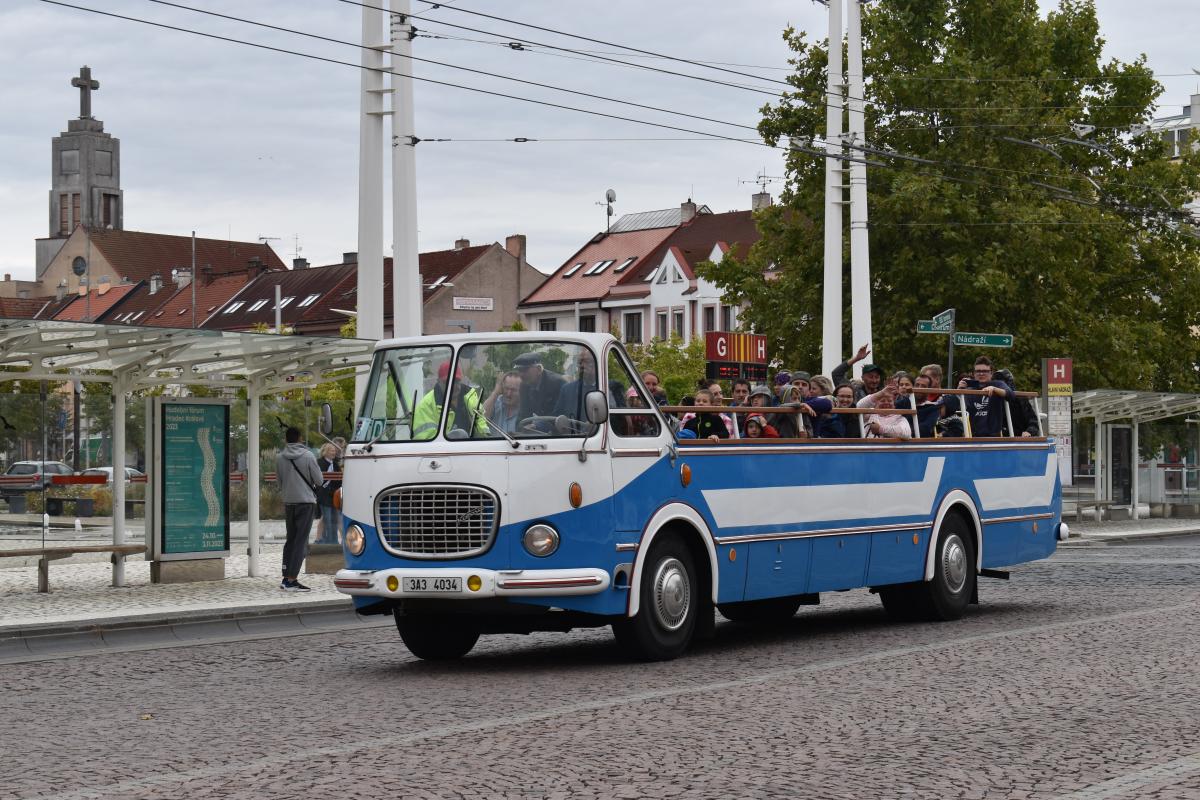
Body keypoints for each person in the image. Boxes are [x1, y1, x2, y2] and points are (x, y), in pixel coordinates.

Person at [275, 427, 324, 592]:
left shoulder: (280, 457)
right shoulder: (308, 456)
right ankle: (292, 580)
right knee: (301, 541)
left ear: (286, 439)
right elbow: (319, 479)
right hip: (305, 502)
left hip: (289, 502)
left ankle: (285, 576)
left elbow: (279, 482)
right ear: (300, 438)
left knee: (291, 540)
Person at [413, 362, 488, 439]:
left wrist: (487, 438)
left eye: (456, 381)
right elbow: (426, 442)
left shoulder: (470, 396)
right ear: (438, 382)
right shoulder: (425, 406)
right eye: (447, 382)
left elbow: (482, 423)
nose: (453, 386)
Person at [955, 356, 1015, 437]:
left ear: (991, 373)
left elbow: (1011, 395)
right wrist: (958, 391)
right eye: (978, 371)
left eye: (985, 371)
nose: (981, 373)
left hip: (993, 436)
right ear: (973, 373)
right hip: (971, 436)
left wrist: (994, 389)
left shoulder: (998, 384)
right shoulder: (969, 388)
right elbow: (955, 408)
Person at [553, 349, 599, 427]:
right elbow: (556, 416)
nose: (582, 365)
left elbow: (617, 420)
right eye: (580, 362)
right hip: (571, 436)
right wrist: (538, 425)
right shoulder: (567, 389)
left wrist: (598, 424)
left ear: (597, 364)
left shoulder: (609, 389)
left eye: (587, 361)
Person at [515, 352, 565, 419]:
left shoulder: (557, 383)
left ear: (538, 369)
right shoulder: (524, 385)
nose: (521, 374)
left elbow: (559, 414)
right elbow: (523, 413)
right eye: (519, 370)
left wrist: (536, 426)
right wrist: (520, 427)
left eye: (525, 370)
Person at [995, 368, 1039, 437]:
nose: (1001, 386)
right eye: (998, 384)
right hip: (995, 440)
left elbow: (1033, 421)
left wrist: (1029, 432)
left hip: (1019, 439)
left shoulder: (1020, 399)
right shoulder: (990, 399)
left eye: (1003, 384)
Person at [315, 442, 342, 545]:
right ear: (325, 451)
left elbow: (340, 480)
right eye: (331, 450)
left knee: (334, 520)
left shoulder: (335, 464)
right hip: (323, 496)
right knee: (327, 520)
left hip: (334, 496)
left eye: (334, 451)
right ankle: (328, 542)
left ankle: (334, 542)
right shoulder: (319, 463)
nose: (333, 452)